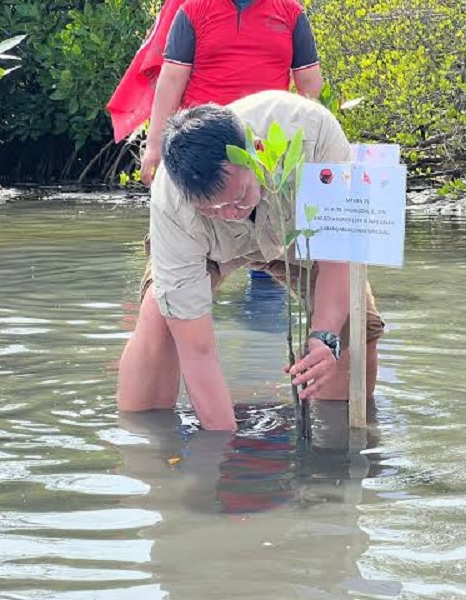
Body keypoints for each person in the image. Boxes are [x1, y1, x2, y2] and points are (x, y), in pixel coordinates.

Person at [117, 90, 384, 431]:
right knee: (158, 318)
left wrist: (325, 338)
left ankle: (333, 442)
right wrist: (220, 451)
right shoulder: (172, 202)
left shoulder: (314, 135)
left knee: (356, 326)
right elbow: (197, 351)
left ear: (256, 154)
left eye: (239, 198)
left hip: (298, 235)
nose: (230, 214)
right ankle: (146, 441)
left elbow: (336, 251)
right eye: (211, 210)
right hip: (212, 249)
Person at [139, 0, 323, 185]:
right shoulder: (192, 9)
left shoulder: (292, 12)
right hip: (202, 143)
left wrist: (305, 144)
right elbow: (171, 80)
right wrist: (154, 147)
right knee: (198, 211)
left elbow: (309, 86)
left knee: (264, 211)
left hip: (265, 148)